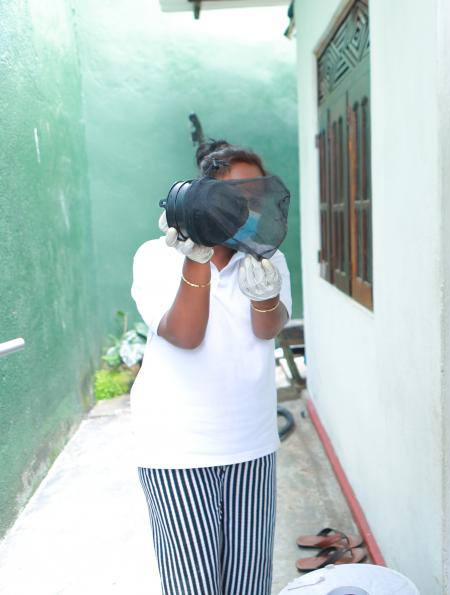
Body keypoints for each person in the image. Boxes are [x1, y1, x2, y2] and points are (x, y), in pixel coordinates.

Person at [130, 141, 292, 595]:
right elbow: (185, 334)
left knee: (248, 583)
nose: (250, 205)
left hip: (252, 445)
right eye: (238, 194)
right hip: (179, 450)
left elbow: (268, 330)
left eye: (257, 193)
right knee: (195, 586)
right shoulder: (154, 256)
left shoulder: (267, 256)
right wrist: (195, 259)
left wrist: (267, 298)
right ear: (206, 196)